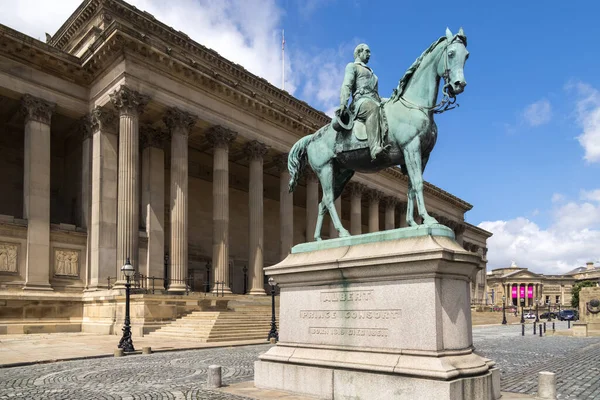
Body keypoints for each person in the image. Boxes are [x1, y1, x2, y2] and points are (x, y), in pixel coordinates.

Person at [339, 43, 390, 160]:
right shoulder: (352, 66)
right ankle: (374, 148)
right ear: (359, 52)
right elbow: (346, 85)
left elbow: (377, 95)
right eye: (367, 51)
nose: (369, 54)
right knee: (372, 107)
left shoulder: (374, 75)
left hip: (374, 100)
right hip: (359, 103)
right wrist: (343, 103)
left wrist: (392, 99)